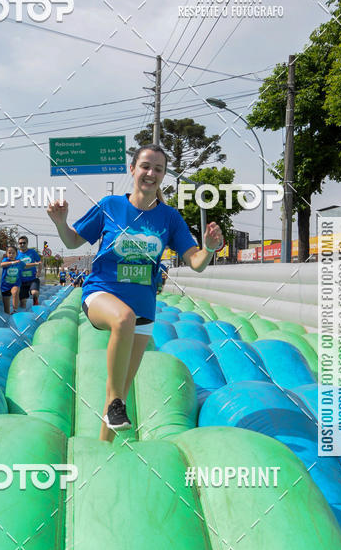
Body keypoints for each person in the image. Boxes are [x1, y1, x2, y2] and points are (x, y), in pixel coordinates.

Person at [47, 144, 223, 442]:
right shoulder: (111, 206)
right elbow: (73, 241)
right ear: (133, 169)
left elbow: (196, 262)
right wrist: (61, 223)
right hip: (101, 294)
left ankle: (104, 447)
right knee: (122, 320)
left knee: (119, 390)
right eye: (145, 166)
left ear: (163, 175)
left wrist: (209, 249)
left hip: (143, 307)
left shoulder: (169, 218)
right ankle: (116, 404)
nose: (151, 173)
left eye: (158, 169)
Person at [17, 236, 42, 307]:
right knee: (22, 302)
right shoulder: (16, 254)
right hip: (21, 281)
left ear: (27, 243)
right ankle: (23, 312)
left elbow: (40, 262)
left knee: (34, 293)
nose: (22, 244)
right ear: (18, 244)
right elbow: (21, 266)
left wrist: (39, 272)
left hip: (32, 279)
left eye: (24, 243)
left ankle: (35, 303)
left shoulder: (32, 252)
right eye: (20, 243)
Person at [0, 245, 22, 314]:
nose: (11, 255)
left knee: (15, 291)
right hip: (5, 286)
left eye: (13, 253)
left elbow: (25, 266)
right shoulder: (5, 260)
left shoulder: (19, 262)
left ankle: (15, 310)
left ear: (16, 254)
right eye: (9, 253)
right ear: (7, 254)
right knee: (6, 310)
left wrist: (35, 264)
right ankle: (8, 316)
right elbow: (2, 264)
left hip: (15, 284)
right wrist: (12, 262)